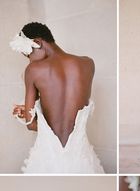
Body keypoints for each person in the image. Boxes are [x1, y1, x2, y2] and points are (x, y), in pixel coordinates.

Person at [10, 22, 104, 174]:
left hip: (48, 157)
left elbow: (31, 125)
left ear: (38, 43)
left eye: (28, 54)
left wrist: (26, 114)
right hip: (81, 157)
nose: (29, 60)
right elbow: (69, 108)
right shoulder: (88, 63)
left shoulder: (33, 70)